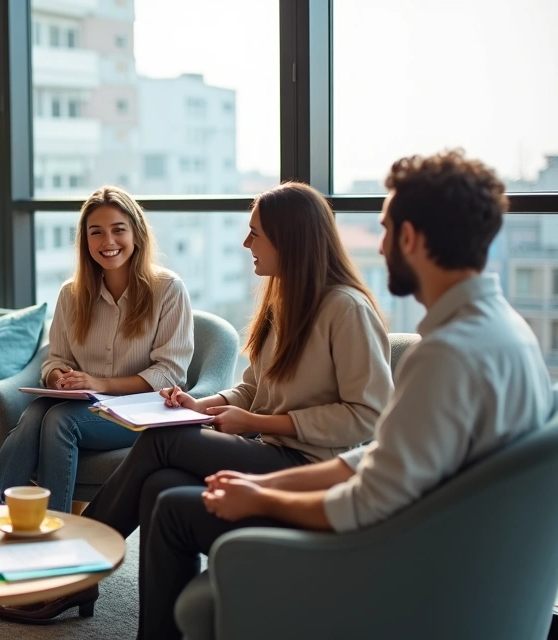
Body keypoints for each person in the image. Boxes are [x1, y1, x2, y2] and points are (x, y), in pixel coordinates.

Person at [147, 150, 552, 639]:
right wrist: (263, 485)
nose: (379, 247)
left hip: (387, 560)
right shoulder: (507, 331)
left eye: (384, 229)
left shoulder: (447, 355)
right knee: (166, 487)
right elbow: (381, 461)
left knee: (173, 509)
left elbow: (362, 502)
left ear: (410, 237)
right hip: (437, 543)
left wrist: (262, 499)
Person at [0, 181, 393, 624]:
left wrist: (259, 422)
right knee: (158, 483)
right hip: (270, 450)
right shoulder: (280, 303)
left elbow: (368, 417)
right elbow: (253, 389)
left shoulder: (346, 309)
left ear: (291, 238)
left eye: (255, 233)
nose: (247, 244)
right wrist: (207, 403)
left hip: (311, 468)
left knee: (161, 442)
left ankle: (72, 573)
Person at [0, 186, 194, 513]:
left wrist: (99, 384)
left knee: (59, 420)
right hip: (87, 406)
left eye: (118, 230)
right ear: (86, 241)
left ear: (136, 233)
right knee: (38, 411)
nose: (108, 242)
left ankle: (54, 529)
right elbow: (56, 357)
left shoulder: (167, 289)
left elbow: (168, 374)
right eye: (96, 233)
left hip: (141, 411)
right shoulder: (72, 293)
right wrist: (57, 377)